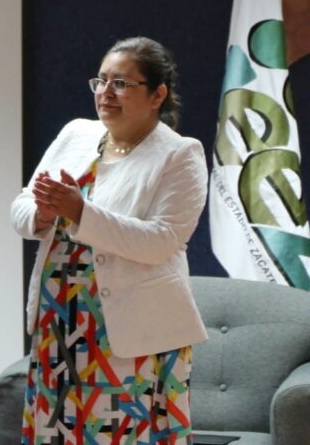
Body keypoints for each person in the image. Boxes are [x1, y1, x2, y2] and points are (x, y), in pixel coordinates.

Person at [12, 36, 209, 444]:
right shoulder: (76, 134)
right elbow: (21, 206)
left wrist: (80, 212)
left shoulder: (179, 154)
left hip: (129, 328)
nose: (105, 93)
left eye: (121, 83)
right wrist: (44, 213)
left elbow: (162, 241)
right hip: (60, 318)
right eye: (100, 81)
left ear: (158, 95)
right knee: (57, 432)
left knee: (121, 435)